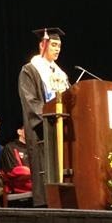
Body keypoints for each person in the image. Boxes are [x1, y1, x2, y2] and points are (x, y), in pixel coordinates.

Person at [18, 27, 70, 206]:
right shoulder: (30, 70)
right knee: (45, 173)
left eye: (59, 46)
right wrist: (52, 116)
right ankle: (46, 206)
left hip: (62, 128)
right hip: (43, 130)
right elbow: (30, 102)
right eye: (54, 44)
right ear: (43, 45)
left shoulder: (61, 74)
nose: (57, 49)